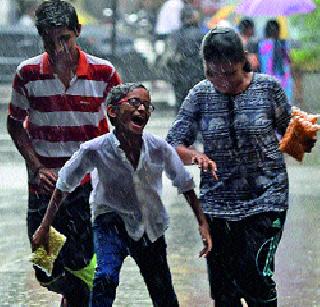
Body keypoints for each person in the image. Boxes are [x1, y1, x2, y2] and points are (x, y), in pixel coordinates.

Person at [166, 27, 317, 306]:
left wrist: (305, 134)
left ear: (243, 62)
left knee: (255, 274)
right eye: (214, 73)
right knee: (225, 291)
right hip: (217, 203)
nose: (222, 81)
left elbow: (292, 135)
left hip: (266, 198)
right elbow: (173, 145)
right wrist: (195, 156)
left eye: (230, 73)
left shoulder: (268, 89)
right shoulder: (200, 95)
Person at [32, 83, 213, 306]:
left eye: (147, 106)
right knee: (105, 277)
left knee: (163, 291)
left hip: (150, 225)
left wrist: (202, 222)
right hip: (110, 221)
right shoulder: (95, 149)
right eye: (134, 102)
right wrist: (44, 227)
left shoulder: (158, 148)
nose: (141, 110)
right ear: (112, 111)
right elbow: (64, 184)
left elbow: (184, 183)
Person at [7, 1, 121, 306]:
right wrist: (36, 166)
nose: (58, 49)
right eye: (49, 40)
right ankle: (77, 295)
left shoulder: (104, 73)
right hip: (44, 189)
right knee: (45, 267)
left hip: (87, 189)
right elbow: (15, 124)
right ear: (41, 38)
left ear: (78, 32)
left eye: (64, 39)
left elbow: (122, 123)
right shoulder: (27, 74)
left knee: (81, 263)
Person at [164, 4, 204, 113]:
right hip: (197, 75)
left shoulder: (174, 35)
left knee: (180, 106)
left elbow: (168, 57)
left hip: (179, 77)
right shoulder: (201, 35)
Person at [258, 19, 293, 103]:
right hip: (284, 80)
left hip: (267, 79)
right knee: (285, 104)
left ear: (266, 31)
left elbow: (260, 63)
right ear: (279, 31)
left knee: (270, 105)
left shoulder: (262, 44)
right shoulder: (284, 43)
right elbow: (289, 61)